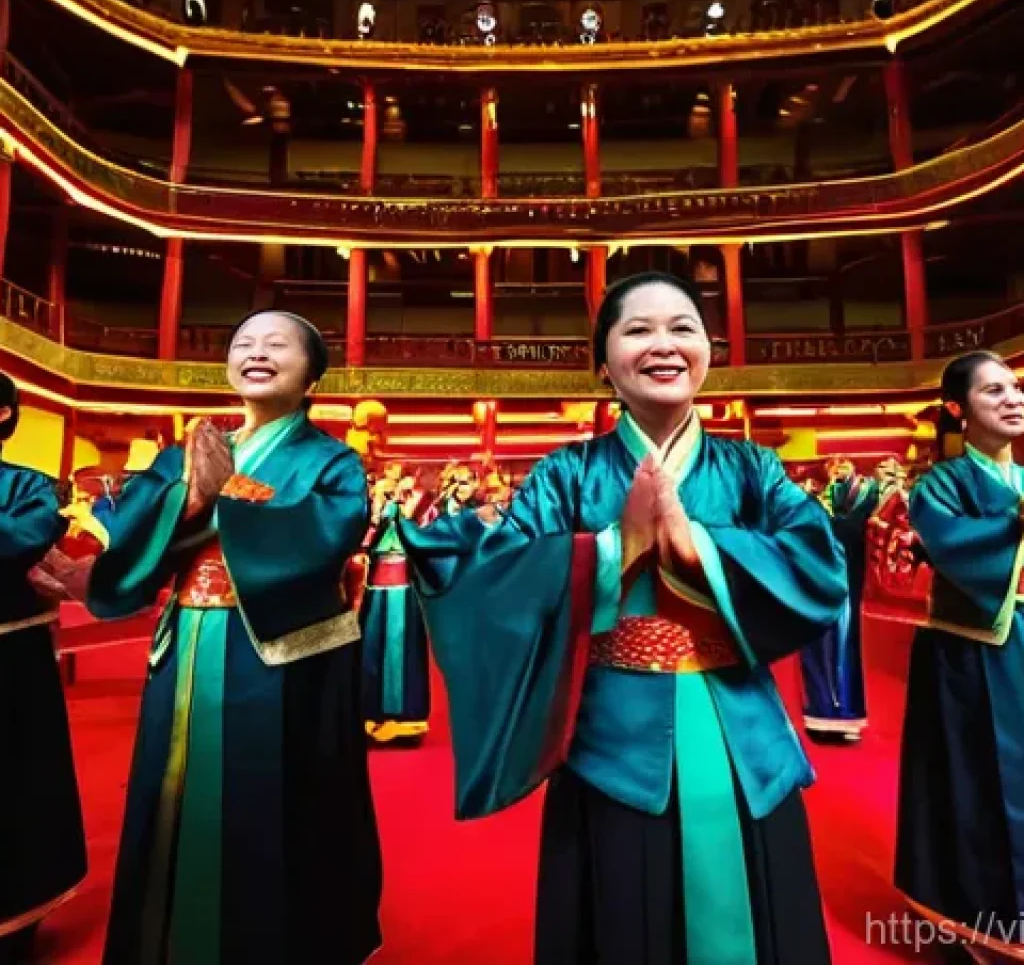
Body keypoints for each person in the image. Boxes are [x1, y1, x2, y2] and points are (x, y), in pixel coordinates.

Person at [398, 271, 846, 964]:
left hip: (745, 740)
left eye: (683, 328)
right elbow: (494, 578)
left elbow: (819, 560)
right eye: (638, 330)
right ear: (602, 363)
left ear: (708, 351)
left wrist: (699, 547)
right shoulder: (566, 475)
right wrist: (613, 548)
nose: (663, 345)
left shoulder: (754, 468)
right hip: (611, 748)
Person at [87, 311, 382, 965]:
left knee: (270, 801)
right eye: (242, 343)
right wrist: (180, 502)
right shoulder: (185, 451)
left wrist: (230, 493)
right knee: (174, 788)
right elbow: (136, 523)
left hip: (277, 653)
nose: (256, 353)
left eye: (278, 345)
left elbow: (329, 532)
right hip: (187, 637)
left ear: (313, 375)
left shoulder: (332, 461)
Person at [897, 350, 1024, 959]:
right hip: (975, 654)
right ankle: (982, 916)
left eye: (1015, 388)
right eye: (993, 391)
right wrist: (1015, 526)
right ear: (957, 409)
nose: (1013, 398)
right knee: (984, 781)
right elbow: (949, 544)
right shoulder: (938, 484)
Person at [0, 371, 87, 964]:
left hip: (10, 660)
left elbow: (17, 542)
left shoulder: (30, 488)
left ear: (3, 417)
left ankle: (15, 921)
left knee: (15, 784)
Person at [800, 457, 875, 742]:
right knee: (821, 648)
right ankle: (820, 715)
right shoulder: (808, 498)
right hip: (818, 581)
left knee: (845, 647)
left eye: (844, 462)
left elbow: (850, 531)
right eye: (833, 463)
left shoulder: (865, 495)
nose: (839, 468)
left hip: (846, 580)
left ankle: (845, 715)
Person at [361, 466, 432, 744]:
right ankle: (371, 715)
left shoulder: (422, 511)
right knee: (371, 650)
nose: (398, 495)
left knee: (402, 649)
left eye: (404, 490)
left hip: (404, 585)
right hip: (376, 586)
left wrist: (407, 512)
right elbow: (362, 541)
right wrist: (377, 512)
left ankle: (406, 720)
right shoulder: (375, 509)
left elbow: (425, 539)